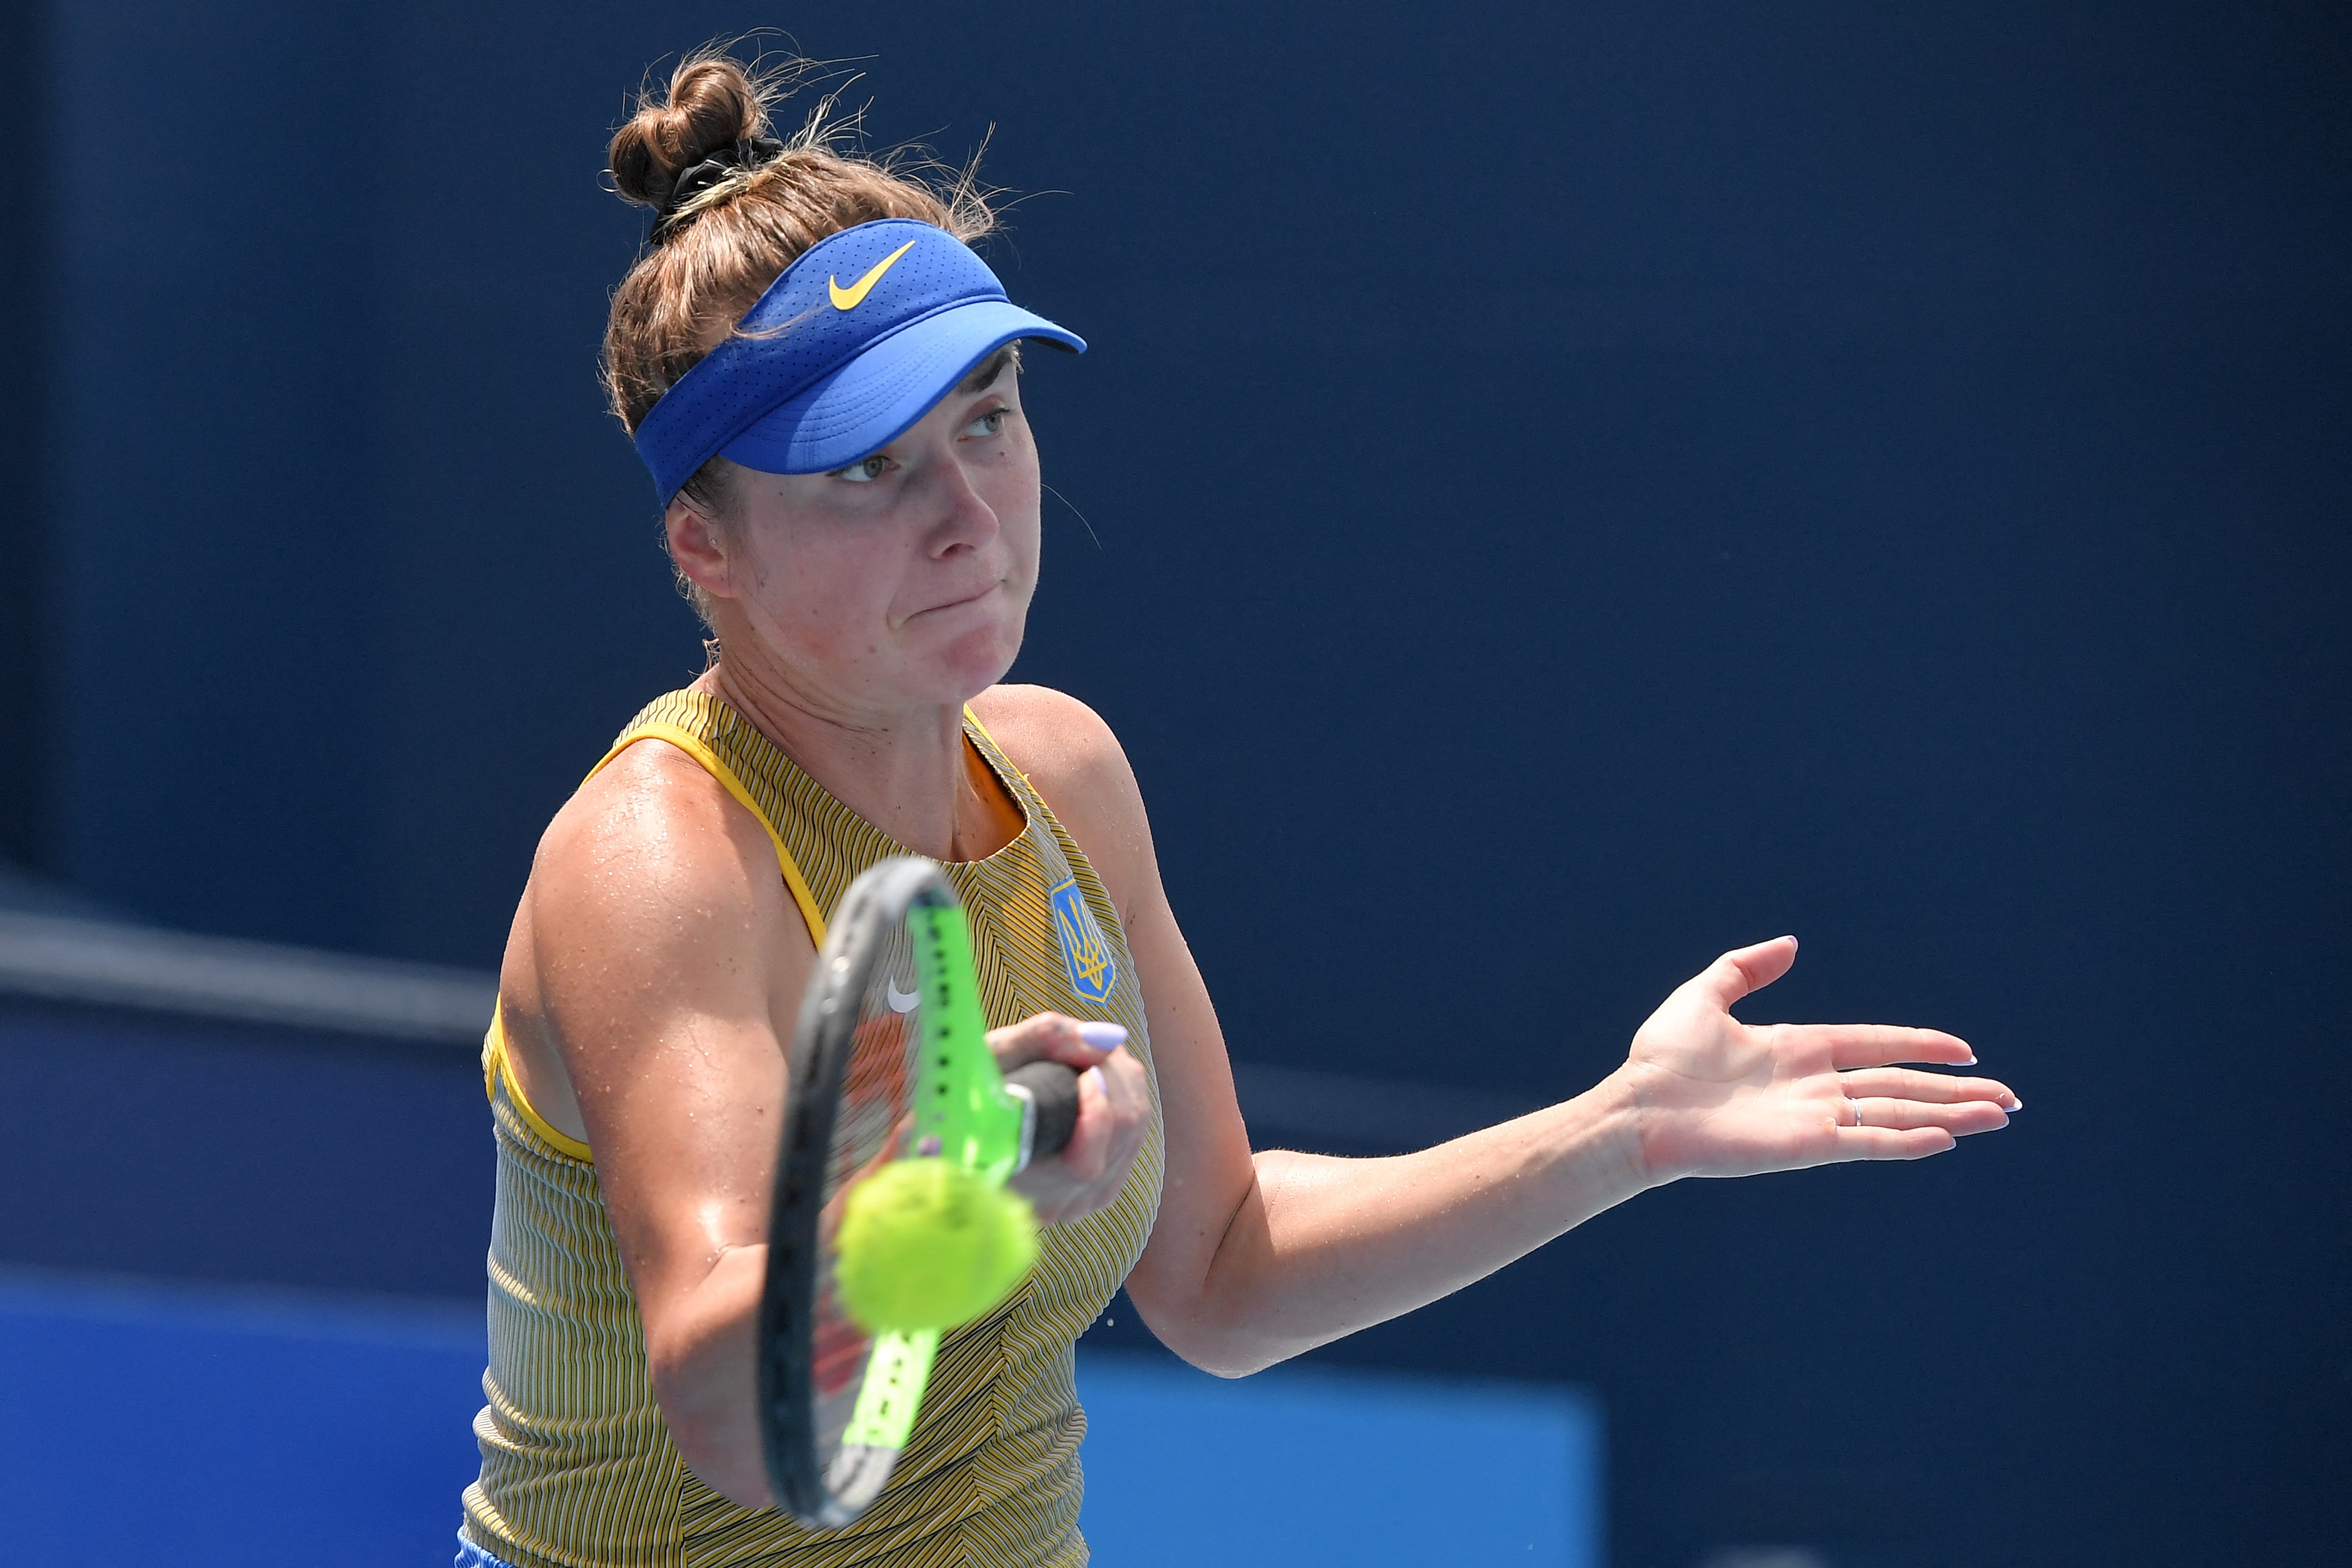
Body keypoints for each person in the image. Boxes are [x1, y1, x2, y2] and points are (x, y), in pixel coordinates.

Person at [455, 48, 2020, 1568]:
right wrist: (947, 1192)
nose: (965, 520)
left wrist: (1620, 1135)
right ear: (704, 549)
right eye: (864, 471)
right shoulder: (661, 862)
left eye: (988, 417)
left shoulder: (1060, 772)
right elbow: (744, 1425)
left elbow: (1220, 1270)